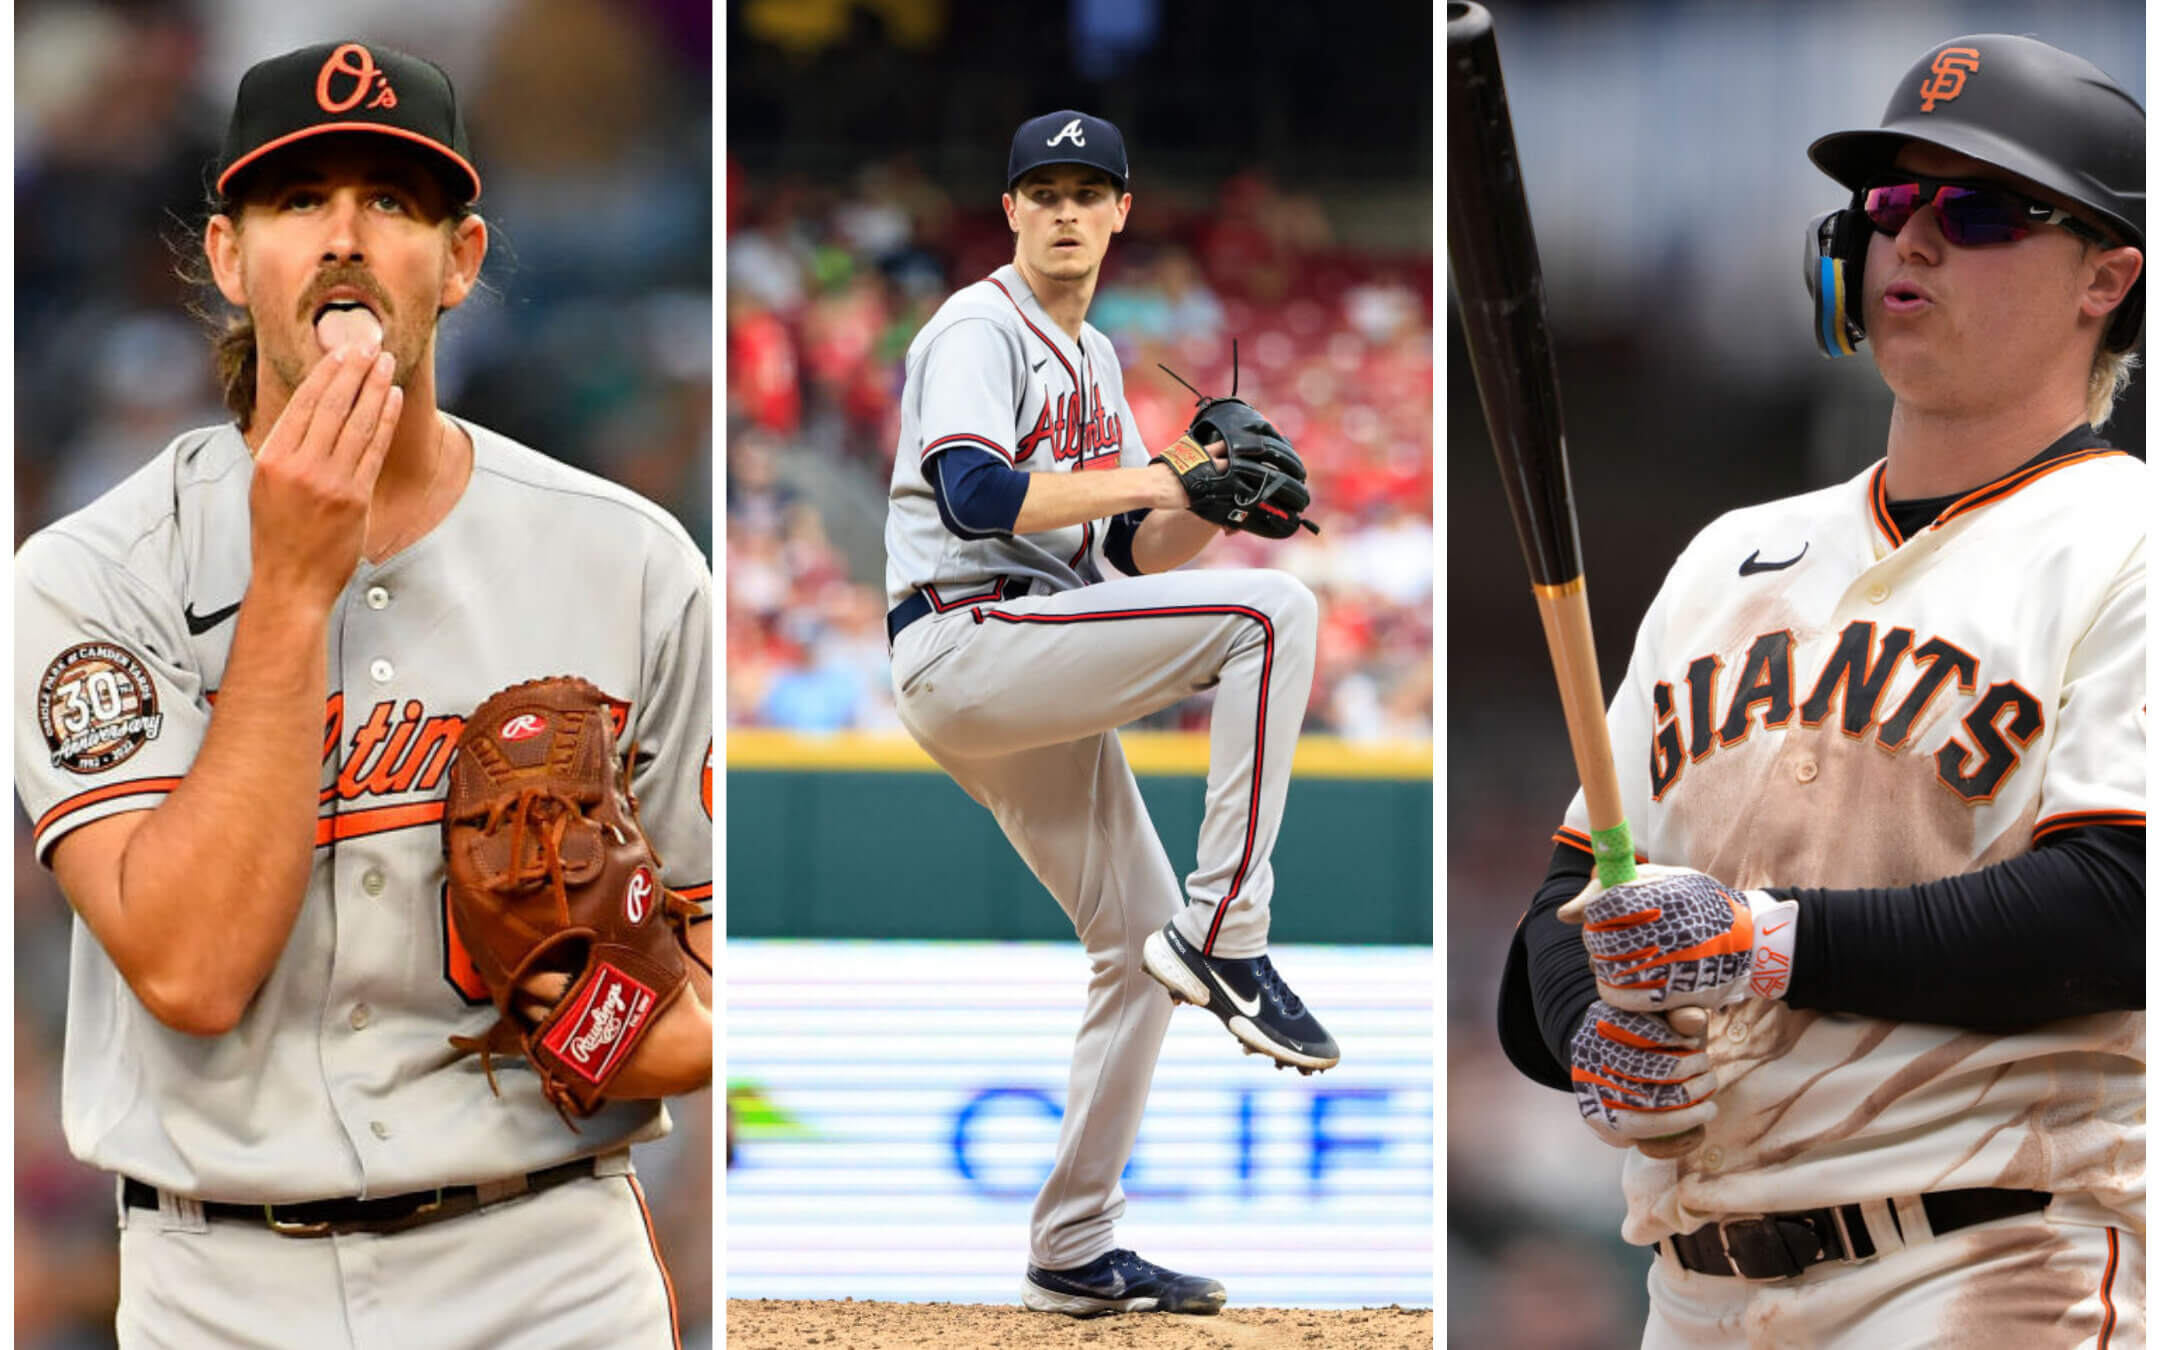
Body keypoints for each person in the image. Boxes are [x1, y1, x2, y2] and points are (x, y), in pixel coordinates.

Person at [13, 41, 713, 1349]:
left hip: (545, 1268)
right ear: (229, 257)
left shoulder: (629, 561)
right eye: (297, 201)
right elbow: (192, 967)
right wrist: (289, 587)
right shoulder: (88, 579)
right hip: (220, 1285)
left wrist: (581, 1004)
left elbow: (713, 990)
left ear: (459, 259)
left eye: (392, 201)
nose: (344, 236)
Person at [1497, 33, 2144, 1348]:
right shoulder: (1728, 557)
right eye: (1891, 207)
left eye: (1976, 210)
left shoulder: (2127, 535)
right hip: (1695, 1288)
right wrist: (1595, 1040)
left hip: (1987, 1259)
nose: (1911, 241)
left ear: (2108, 277)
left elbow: (2120, 911)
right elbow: (1557, 926)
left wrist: (1773, 942)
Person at [883, 109, 1338, 1317]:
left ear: (1124, 212)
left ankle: (1074, 1246)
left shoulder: (1087, 360)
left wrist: (1214, 497)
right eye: (1046, 189)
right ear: (1012, 210)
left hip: (1028, 650)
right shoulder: (978, 325)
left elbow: (1130, 548)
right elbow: (978, 496)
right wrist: (1171, 469)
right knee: (1269, 620)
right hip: (963, 631)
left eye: (1091, 190)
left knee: (1135, 946)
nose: (1068, 209)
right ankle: (1233, 936)